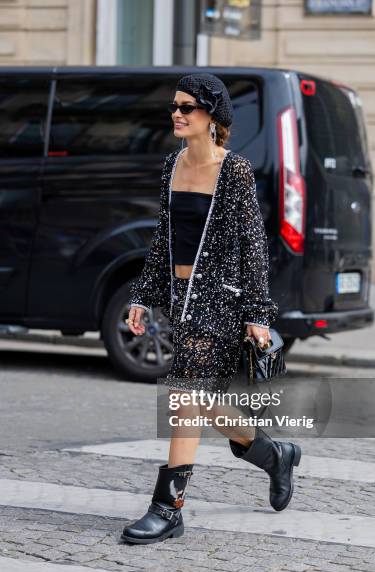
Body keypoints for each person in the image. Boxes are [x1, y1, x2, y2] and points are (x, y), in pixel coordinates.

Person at [121, 73, 301, 545]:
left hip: (221, 301)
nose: (177, 114)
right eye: (175, 106)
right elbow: (164, 239)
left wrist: (259, 313)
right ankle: (273, 454)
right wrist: (142, 295)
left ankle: (168, 507)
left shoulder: (234, 170)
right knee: (204, 405)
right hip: (183, 303)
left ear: (212, 116)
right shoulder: (171, 166)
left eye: (188, 107)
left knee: (184, 398)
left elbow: (252, 244)